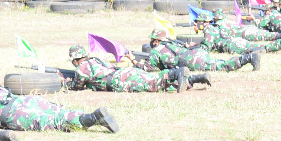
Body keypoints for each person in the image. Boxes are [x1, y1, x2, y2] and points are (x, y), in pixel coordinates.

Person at [0, 62, 118, 133]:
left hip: (17, 114)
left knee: (54, 122)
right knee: (60, 112)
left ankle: (91, 119)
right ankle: (88, 116)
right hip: (27, 101)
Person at [70, 45, 204, 91]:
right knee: (154, 83)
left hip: (120, 80)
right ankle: (193, 79)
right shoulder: (96, 60)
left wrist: (67, 83)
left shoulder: (82, 68)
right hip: (125, 73)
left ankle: (175, 73)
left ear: (75, 60)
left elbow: (77, 86)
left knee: (152, 84)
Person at [141, 28, 260, 72]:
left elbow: (147, 68)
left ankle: (248, 58)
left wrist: (134, 61)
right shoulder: (171, 42)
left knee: (220, 66)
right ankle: (246, 58)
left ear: (156, 41)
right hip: (196, 52)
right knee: (216, 62)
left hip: (191, 59)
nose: (151, 43)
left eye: (152, 40)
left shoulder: (157, 50)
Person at [195, 11, 281, 54]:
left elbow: (206, 48)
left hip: (232, 44)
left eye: (198, 22)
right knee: (260, 45)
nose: (196, 24)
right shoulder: (214, 27)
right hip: (236, 39)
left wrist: (193, 46)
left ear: (204, 22)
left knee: (260, 49)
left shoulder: (210, 29)